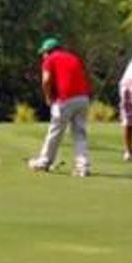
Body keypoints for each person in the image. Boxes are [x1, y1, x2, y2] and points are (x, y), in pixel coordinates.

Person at [28, 37, 91, 177]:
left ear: (48, 51)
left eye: (43, 53)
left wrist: (48, 97)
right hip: (83, 98)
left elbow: (46, 80)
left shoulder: (50, 59)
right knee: (79, 134)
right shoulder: (73, 57)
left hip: (65, 99)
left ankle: (44, 162)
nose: (43, 56)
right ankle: (83, 167)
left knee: (55, 131)